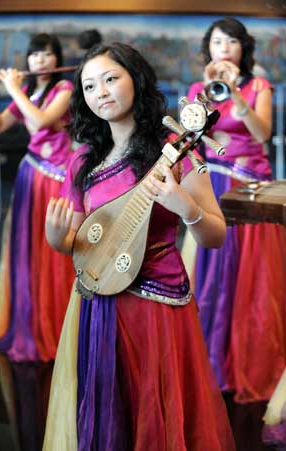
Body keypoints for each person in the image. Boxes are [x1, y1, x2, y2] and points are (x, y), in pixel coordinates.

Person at [42, 42, 235, 451]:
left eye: (112, 79)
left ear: (137, 79)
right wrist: (59, 241)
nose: (102, 92)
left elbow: (215, 235)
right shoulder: (83, 161)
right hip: (97, 300)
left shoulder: (177, 148)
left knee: (157, 415)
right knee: (110, 412)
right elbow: (81, 241)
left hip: (156, 306)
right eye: (90, 86)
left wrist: (187, 209)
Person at [186, 17, 286, 402]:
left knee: (252, 275)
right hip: (213, 182)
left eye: (231, 41)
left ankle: (251, 359)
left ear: (243, 48)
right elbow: (192, 136)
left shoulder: (260, 86)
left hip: (251, 187)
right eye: (216, 42)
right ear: (208, 50)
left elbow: (262, 133)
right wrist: (209, 99)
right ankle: (212, 359)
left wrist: (235, 95)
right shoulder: (200, 88)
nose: (224, 48)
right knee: (214, 272)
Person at [0, 33, 77, 362]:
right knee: (27, 250)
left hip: (55, 180)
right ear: (29, 59)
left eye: (48, 54)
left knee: (52, 252)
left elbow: (39, 121)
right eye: (36, 54)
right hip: (30, 175)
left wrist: (11, 89)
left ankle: (56, 325)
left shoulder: (63, 90)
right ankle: (29, 319)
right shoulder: (25, 90)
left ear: (56, 59)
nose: (41, 60)